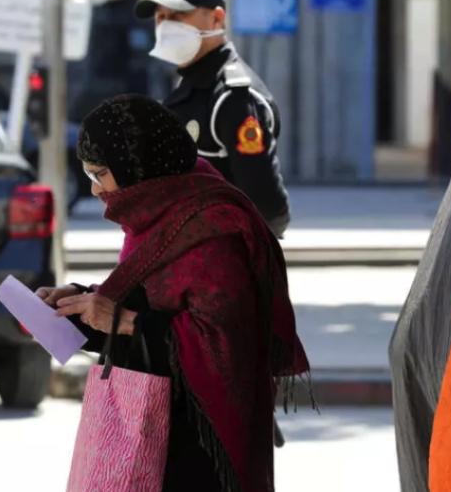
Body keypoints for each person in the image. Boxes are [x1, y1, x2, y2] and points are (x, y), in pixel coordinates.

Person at [38, 95, 310, 492]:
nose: (96, 189)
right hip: (152, 429)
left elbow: (226, 341)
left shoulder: (212, 226)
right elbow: (146, 301)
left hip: (200, 445)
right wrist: (78, 304)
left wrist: (124, 321)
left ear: (136, 167)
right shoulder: (157, 212)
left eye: (100, 174)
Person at [136, 0, 291, 237]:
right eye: (160, 18)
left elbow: (268, 206)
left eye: (177, 16)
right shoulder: (189, 87)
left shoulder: (232, 97)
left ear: (217, 18)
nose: (165, 26)